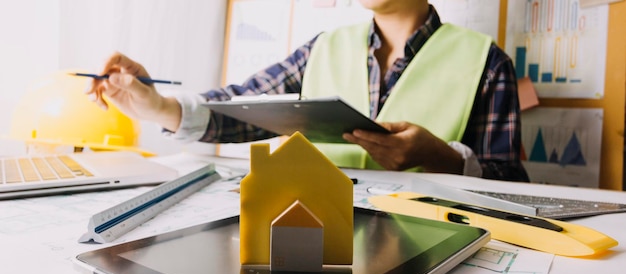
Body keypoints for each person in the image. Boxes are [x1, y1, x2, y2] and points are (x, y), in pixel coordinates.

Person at [87, 0, 530, 182]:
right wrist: (158, 105)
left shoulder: (487, 63)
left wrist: (442, 158)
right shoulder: (322, 48)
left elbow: (512, 185)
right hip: (313, 240)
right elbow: (239, 111)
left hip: (433, 255)